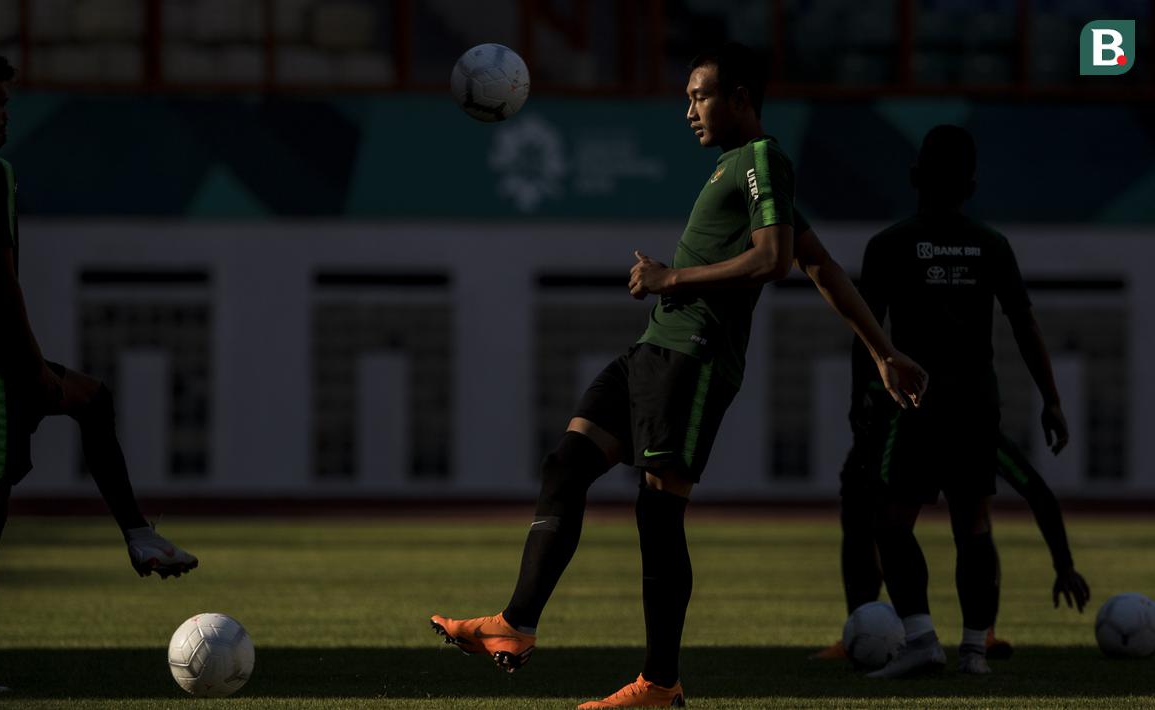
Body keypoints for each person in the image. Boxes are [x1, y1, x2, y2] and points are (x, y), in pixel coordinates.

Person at [431, 42, 928, 708]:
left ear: (741, 99)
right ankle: (514, 624)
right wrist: (882, 350)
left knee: (657, 515)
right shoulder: (736, 167)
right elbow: (820, 265)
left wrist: (674, 277)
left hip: (692, 358)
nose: (687, 107)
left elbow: (774, 259)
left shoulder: (761, 159)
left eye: (700, 94)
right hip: (651, 352)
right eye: (688, 95)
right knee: (565, 466)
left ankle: (659, 683)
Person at [0, 49, 197, 693]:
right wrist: (32, 371)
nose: (5, 115)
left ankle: (139, 534)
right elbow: (2, 284)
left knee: (95, 400)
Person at [859, 125, 1071, 678]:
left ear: (914, 178)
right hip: (977, 404)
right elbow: (1024, 325)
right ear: (971, 184)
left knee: (890, 522)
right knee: (973, 524)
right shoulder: (991, 245)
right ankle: (975, 650)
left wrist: (862, 401)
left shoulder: (888, 245)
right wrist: (1051, 400)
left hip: (916, 404)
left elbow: (866, 329)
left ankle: (923, 640)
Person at [811, 377, 1090, 662]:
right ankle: (859, 629)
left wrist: (1064, 565)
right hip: (905, 425)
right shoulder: (899, 429)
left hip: (939, 425)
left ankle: (981, 634)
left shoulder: (978, 433)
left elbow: (1038, 494)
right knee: (870, 518)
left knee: (972, 521)